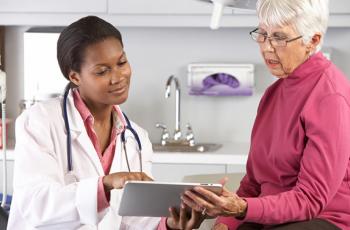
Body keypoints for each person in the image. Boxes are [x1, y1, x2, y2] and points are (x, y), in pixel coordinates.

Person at [7, 16, 203, 230]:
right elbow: (36, 205)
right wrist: (106, 185)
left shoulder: (136, 138)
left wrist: (169, 224)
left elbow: (133, 219)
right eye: (102, 71)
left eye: (122, 62)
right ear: (75, 77)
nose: (118, 77)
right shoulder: (40, 121)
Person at [181, 0, 350, 229]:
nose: (266, 47)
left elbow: (311, 200)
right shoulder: (273, 94)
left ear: (313, 40)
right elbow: (252, 184)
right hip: (272, 216)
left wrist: (242, 209)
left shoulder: (330, 97)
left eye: (279, 37)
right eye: (262, 33)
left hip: (322, 219)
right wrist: (225, 223)